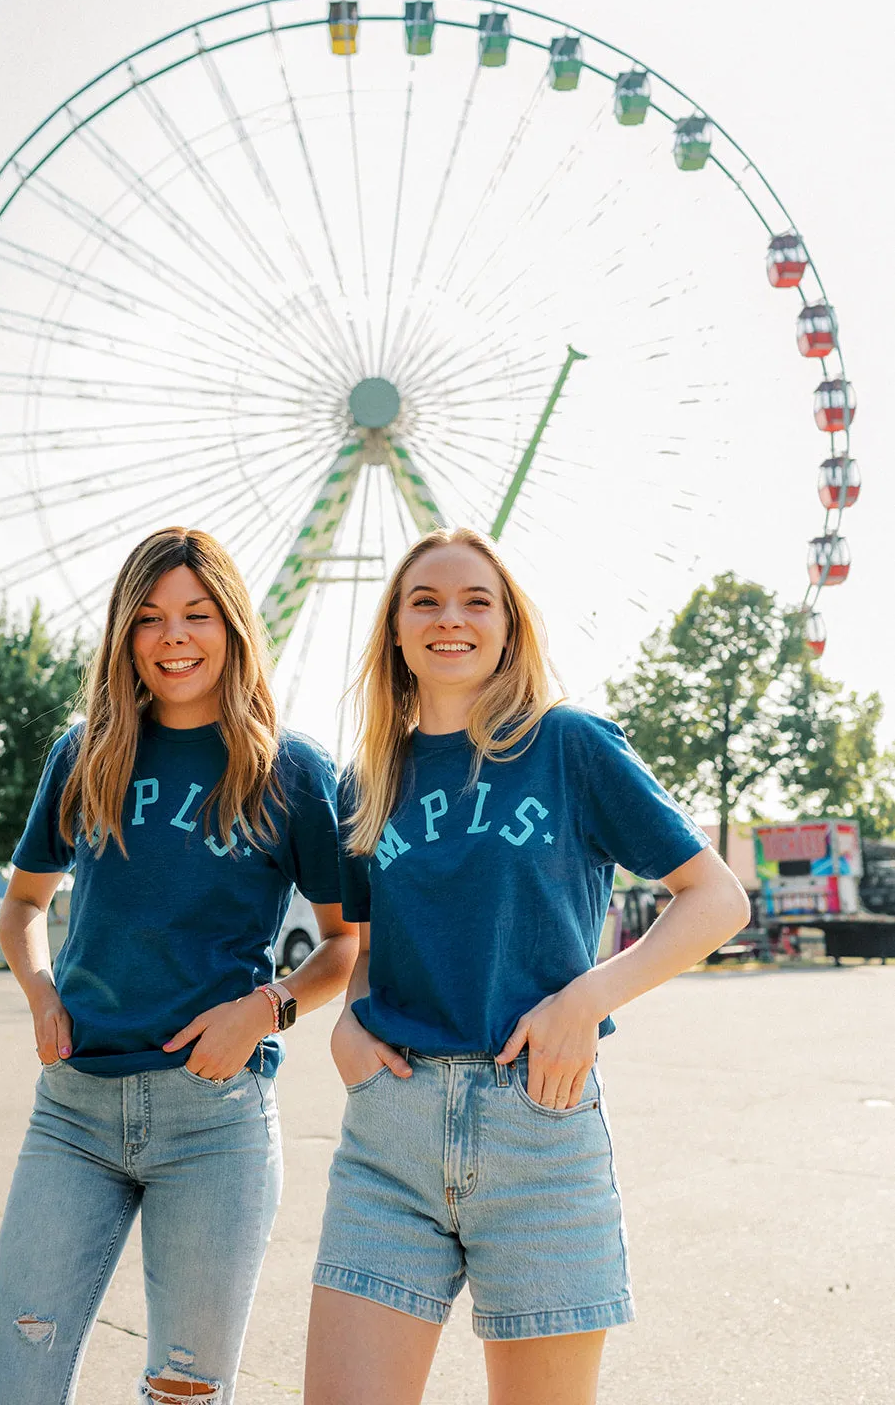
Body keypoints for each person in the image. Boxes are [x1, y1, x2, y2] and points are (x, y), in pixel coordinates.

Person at [306, 527, 749, 1405]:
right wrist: (348, 1025)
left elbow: (716, 899)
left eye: (478, 601)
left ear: (509, 627)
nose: (451, 619)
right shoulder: (365, 783)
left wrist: (583, 1001)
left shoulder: (568, 746)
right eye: (424, 601)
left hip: (536, 1121)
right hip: (389, 1135)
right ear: (394, 630)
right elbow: (367, 941)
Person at [0, 527, 356, 1405]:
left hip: (214, 1119)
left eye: (195, 614)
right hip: (72, 1110)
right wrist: (39, 992)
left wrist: (267, 1008)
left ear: (231, 624)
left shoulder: (289, 769)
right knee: (13, 1384)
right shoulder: (85, 755)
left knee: (183, 1393)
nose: (173, 637)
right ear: (123, 635)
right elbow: (24, 905)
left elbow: (344, 944)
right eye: (148, 618)